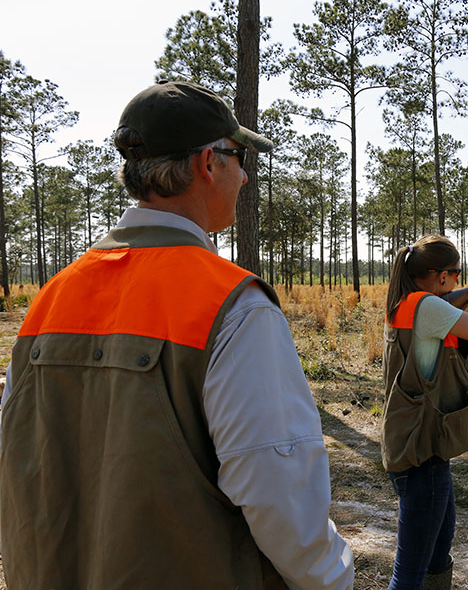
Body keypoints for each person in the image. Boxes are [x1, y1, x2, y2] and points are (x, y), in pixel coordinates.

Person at [0, 80, 354, 590]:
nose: (247, 175)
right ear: (207, 164)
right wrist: (335, 579)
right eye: (238, 157)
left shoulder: (52, 297)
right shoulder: (235, 306)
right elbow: (280, 499)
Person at [381, 235, 468, 590]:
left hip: (421, 442)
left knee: (438, 553)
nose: (459, 281)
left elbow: (444, 309)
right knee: (409, 574)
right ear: (441, 276)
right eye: (456, 275)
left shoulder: (407, 301)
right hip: (421, 454)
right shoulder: (428, 308)